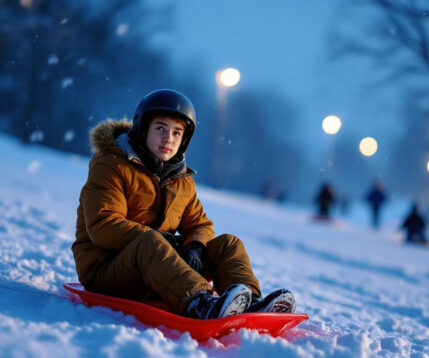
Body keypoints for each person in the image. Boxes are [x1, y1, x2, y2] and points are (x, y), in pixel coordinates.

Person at [71, 89, 295, 320]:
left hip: (157, 267)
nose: (169, 138)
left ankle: (251, 304)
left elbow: (201, 224)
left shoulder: (181, 181)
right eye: (161, 128)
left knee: (228, 244)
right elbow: (103, 225)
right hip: (107, 271)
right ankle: (200, 304)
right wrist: (160, 239)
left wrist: (194, 246)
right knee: (151, 242)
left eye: (177, 132)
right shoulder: (111, 165)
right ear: (142, 128)